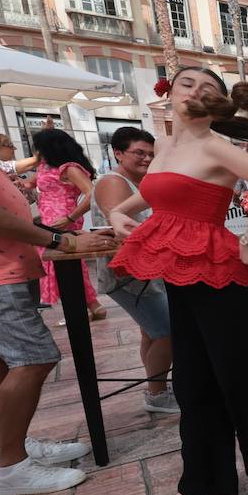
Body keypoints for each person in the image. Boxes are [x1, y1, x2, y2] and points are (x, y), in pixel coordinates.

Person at [109, 65, 248, 495]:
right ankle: (201, 485)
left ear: (217, 102)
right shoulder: (165, 148)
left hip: (225, 280)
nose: (195, 92)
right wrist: (119, 213)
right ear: (169, 92)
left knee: (241, 383)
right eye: (186, 83)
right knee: (192, 385)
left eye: (207, 87)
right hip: (181, 277)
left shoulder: (217, 146)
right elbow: (152, 195)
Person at [0, 58, 115, 495]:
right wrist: (63, 241)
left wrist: (56, 236)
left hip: (0, 266)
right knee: (33, 359)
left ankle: (9, 447)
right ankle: (12, 467)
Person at [89, 127, 179, 414]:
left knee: (153, 332)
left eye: (151, 154)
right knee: (169, 331)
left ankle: (159, 388)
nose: (147, 158)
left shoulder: (135, 182)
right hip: (131, 274)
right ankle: (157, 394)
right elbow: (122, 229)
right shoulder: (115, 181)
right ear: (118, 153)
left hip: (144, 272)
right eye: (139, 152)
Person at [32, 129, 106, 320]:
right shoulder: (47, 167)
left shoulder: (69, 168)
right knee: (66, 265)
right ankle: (91, 306)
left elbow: (93, 194)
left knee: (68, 264)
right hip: (50, 219)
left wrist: (71, 218)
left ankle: (81, 308)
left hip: (62, 218)